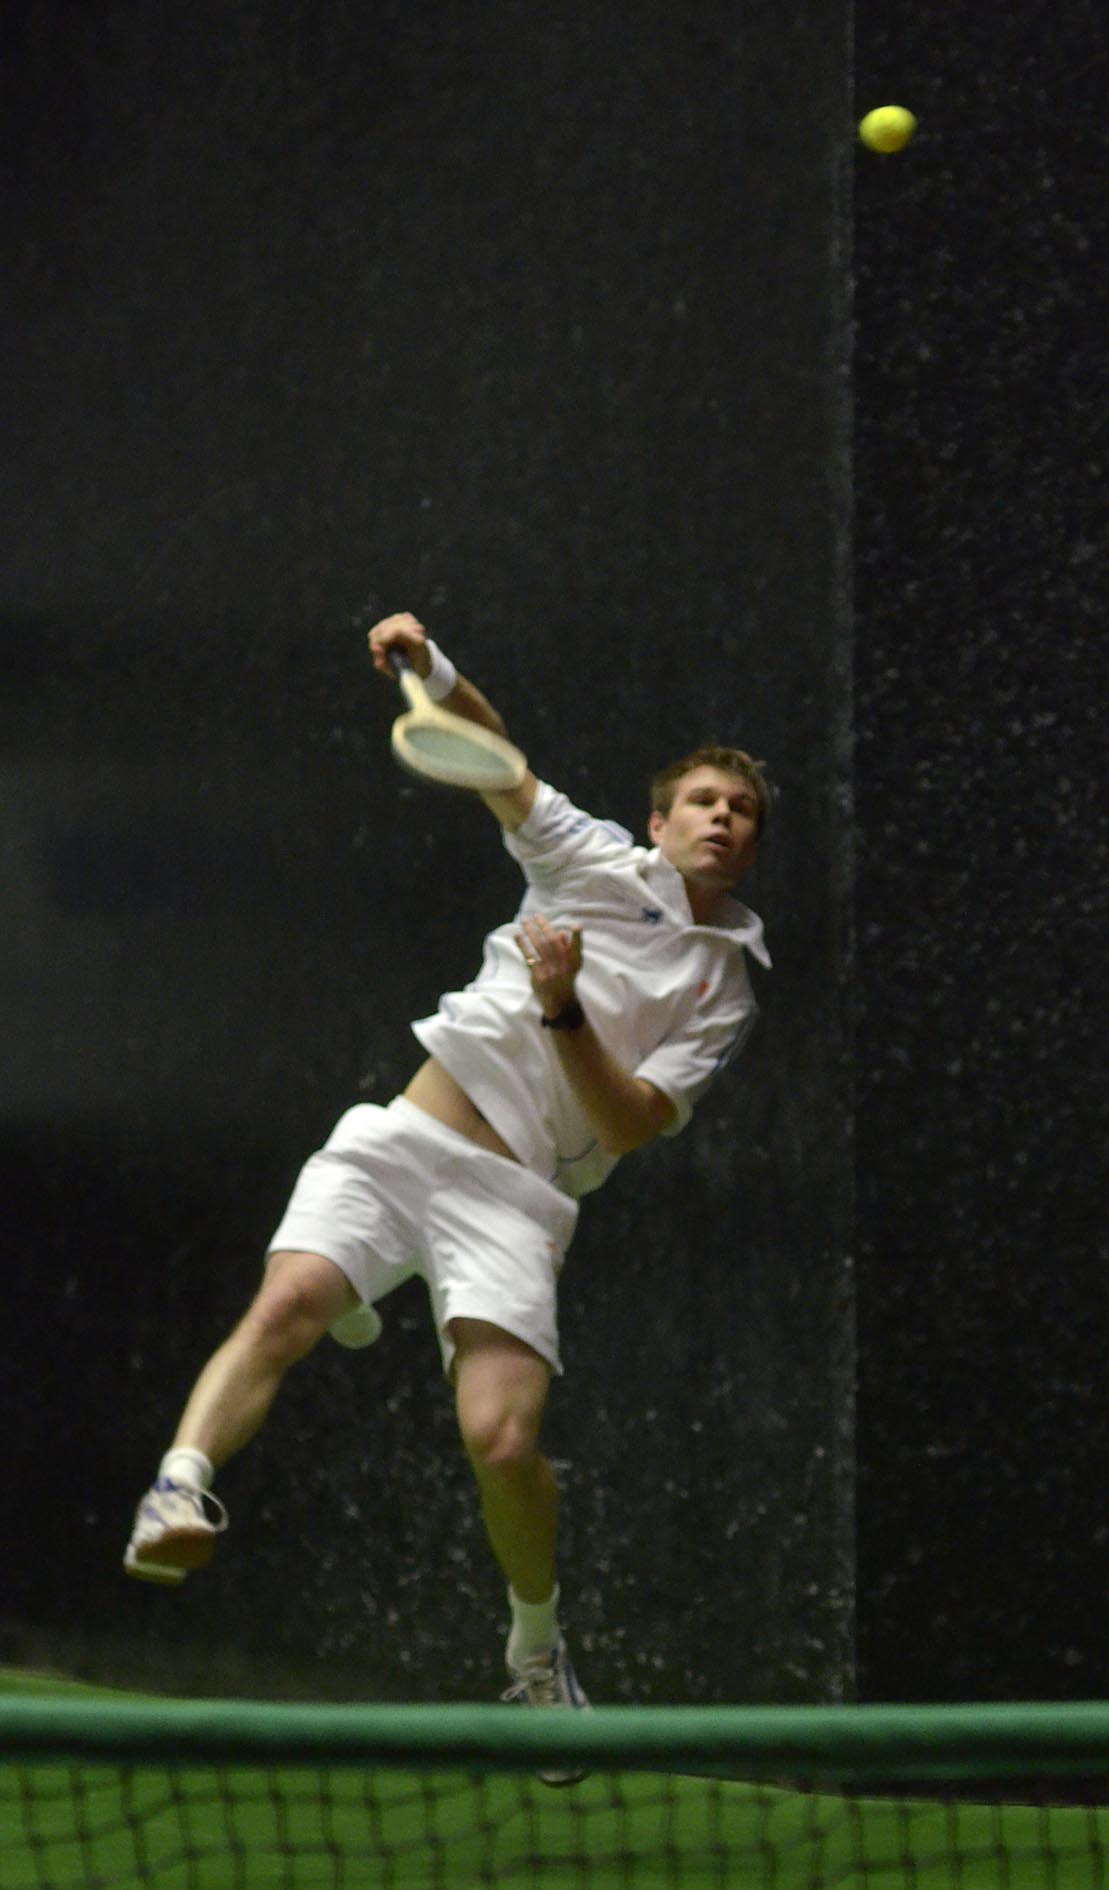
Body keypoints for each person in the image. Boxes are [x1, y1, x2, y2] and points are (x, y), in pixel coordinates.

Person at [123, 611, 771, 1736]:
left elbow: (624, 1125)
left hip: (518, 1197)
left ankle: (534, 1648)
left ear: (751, 844)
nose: (722, 818)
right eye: (704, 802)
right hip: (403, 1143)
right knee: (286, 1305)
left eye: (743, 811)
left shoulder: (726, 990)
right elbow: (494, 759)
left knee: (503, 1445)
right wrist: (430, 667)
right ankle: (177, 1487)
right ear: (658, 822)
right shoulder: (586, 856)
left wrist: (564, 1010)